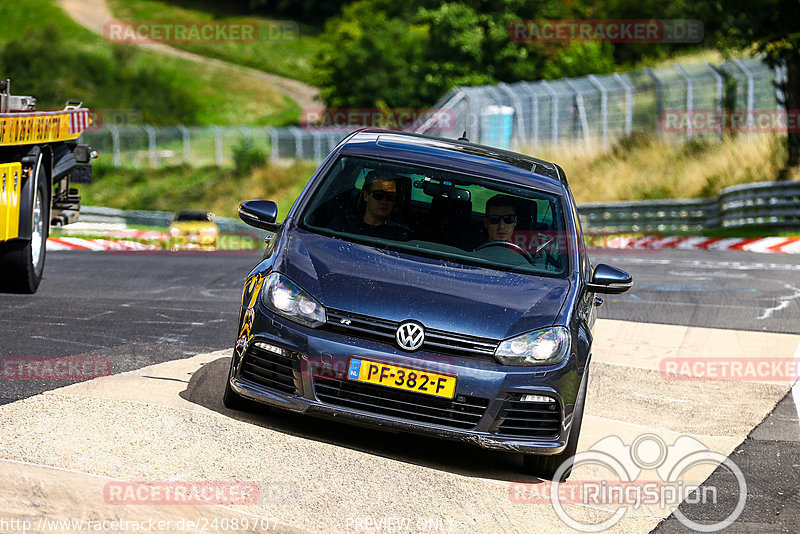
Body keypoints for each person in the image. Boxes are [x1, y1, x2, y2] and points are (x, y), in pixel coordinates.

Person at [328, 169, 412, 240]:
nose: (384, 201)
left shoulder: (401, 236)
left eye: (390, 197)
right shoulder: (343, 224)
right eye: (378, 195)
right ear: (366, 196)